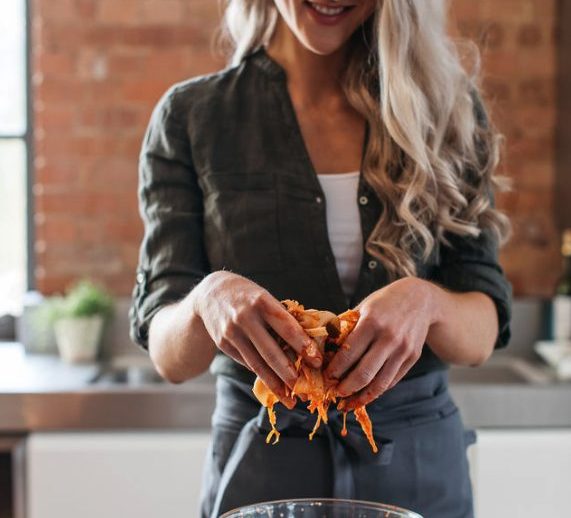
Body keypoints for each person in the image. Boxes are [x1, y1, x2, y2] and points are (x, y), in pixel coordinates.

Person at [129, 1, 512, 517]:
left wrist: (429, 304)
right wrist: (206, 300)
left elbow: (481, 335)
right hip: (263, 471)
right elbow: (169, 356)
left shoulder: (448, 110)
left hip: (417, 470)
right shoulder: (192, 115)